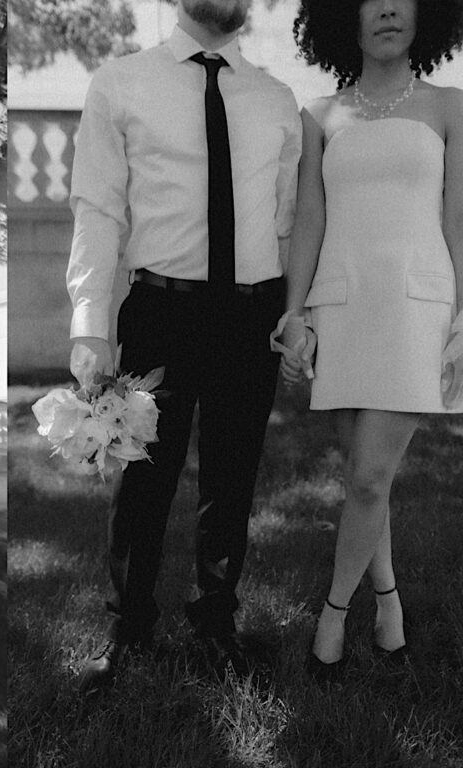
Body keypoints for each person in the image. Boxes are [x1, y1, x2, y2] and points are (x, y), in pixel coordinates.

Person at [66, 0, 302, 691]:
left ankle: (216, 623)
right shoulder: (121, 83)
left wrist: (297, 314)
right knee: (143, 480)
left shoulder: (276, 100)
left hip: (250, 316)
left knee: (232, 479)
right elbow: (99, 205)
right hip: (160, 313)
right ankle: (128, 625)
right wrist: (89, 323)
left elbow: (287, 223)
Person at [279, 0, 463, 680]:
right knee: (368, 480)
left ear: (431, 15)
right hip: (341, 306)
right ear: (346, 18)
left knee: (368, 477)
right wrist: (296, 312)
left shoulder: (452, 106)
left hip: (414, 313)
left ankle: (333, 618)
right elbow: (309, 215)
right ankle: (389, 604)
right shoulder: (320, 116)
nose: (389, 8)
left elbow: (462, 223)